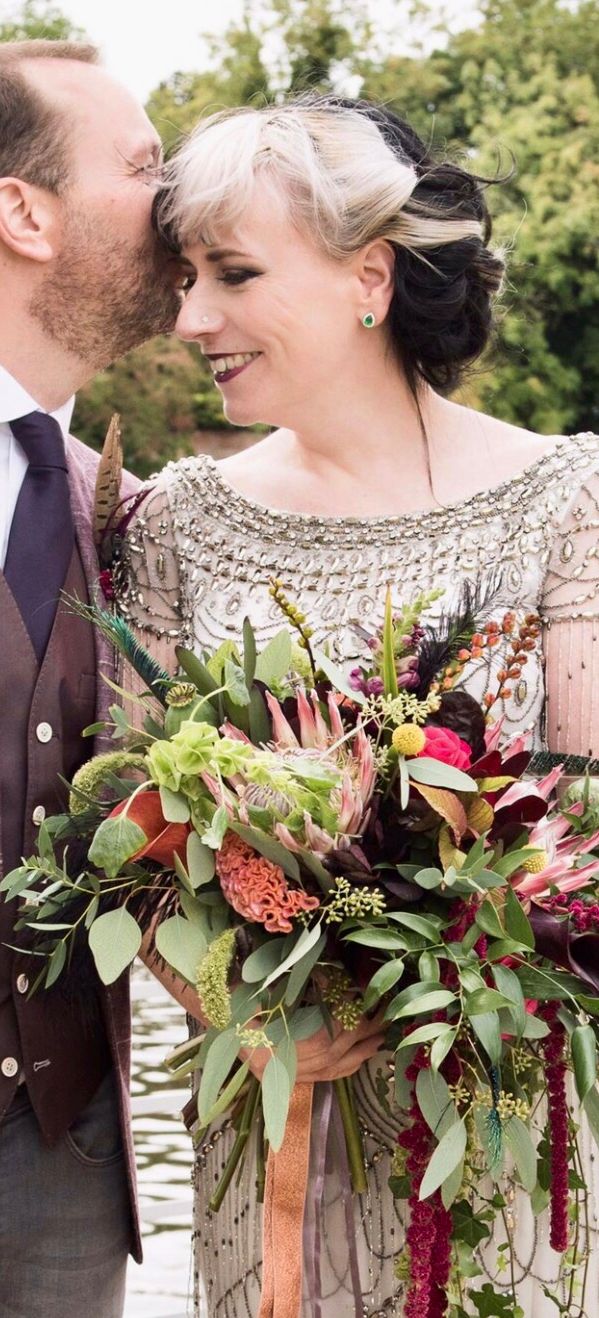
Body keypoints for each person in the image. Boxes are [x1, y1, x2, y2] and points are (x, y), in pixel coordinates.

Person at [118, 96, 599, 1315]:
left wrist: (462, 961)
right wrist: (240, 1006)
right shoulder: (174, 520)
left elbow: (585, 831)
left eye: (232, 273)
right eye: (185, 278)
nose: (191, 318)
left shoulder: (563, 499)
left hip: (493, 1109)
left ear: (367, 278)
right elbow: (127, 838)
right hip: (270, 1110)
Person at [0, 39, 182, 1317]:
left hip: (67, 1161)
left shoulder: (126, 511)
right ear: (25, 212)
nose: (177, 203)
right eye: (143, 166)